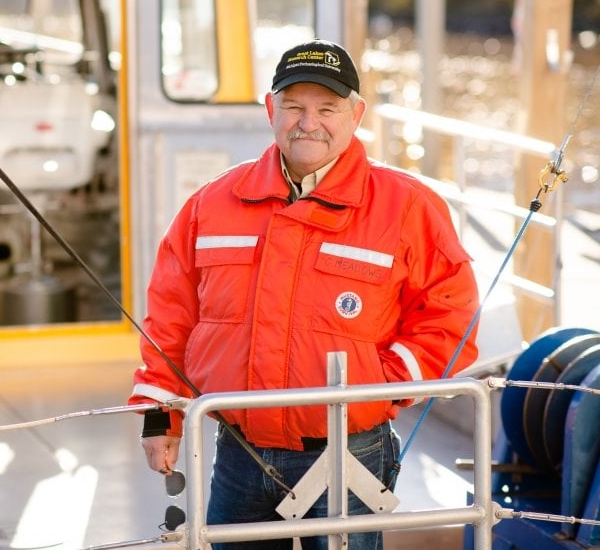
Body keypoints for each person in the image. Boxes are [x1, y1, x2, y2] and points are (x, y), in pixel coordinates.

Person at [129, 39, 480, 549]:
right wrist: (162, 414)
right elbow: (170, 317)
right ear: (271, 109)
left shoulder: (408, 206)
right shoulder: (211, 204)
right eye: (294, 106)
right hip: (239, 452)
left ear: (356, 114)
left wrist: (383, 383)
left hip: (351, 452)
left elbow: (452, 315)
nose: (307, 122)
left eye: (327, 108)